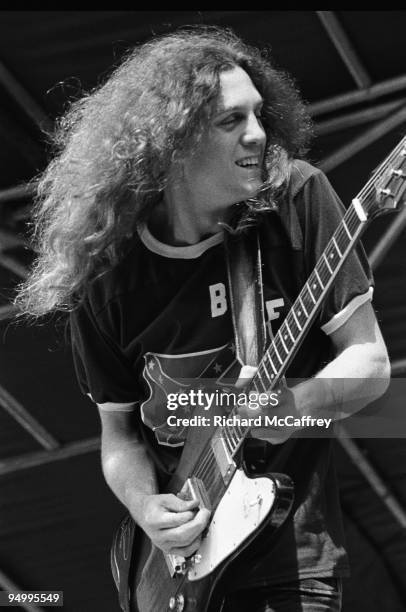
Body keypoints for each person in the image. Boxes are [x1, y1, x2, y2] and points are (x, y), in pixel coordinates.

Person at [16, 26, 390, 612]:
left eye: (260, 114)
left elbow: (372, 365)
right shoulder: (108, 275)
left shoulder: (297, 200)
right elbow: (120, 437)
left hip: (292, 556)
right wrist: (146, 508)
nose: (259, 134)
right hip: (176, 571)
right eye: (230, 121)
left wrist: (300, 403)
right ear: (172, 143)